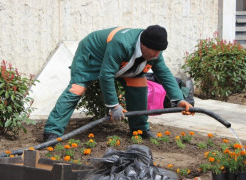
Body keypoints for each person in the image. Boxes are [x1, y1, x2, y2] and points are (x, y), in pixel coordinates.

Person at [43, 25, 195, 142]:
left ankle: (140, 130)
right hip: (92, 54)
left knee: (139, 85)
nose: (157, 55)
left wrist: (178, 99)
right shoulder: (122, 44)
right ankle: (52, 131)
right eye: (154, 51)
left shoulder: (154, 51)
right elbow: (106, 74)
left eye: (160, 51)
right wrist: (113, 105)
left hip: (121, 62)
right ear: (143, 44)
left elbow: (164, 73)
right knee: (77, 89)